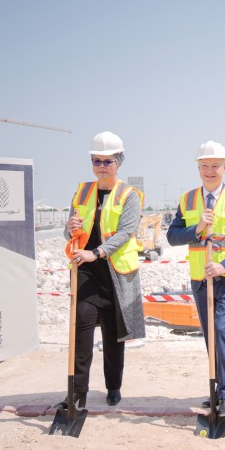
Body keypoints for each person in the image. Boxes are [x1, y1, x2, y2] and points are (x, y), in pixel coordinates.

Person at [166, 140, 225, 417]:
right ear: (198, 167)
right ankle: (216, 389)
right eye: (204, 165)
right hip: (199, 278)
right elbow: (172, 237)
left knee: (222, 330)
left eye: (215, 166)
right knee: (210, 334)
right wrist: (198, 228)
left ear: (224, 167)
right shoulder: (187, 200)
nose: (210, 171)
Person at [63, 132, 147, 407]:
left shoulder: (129, 195)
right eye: (96, 160)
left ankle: (113, 387)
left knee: (114, 337)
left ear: (118, 162)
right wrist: (70, 230)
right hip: (86, 274)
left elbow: (126, 232)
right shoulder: (82, 191)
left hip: (115, 275)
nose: (101, 166)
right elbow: (71, 229)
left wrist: (96, 252)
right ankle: (77, 394)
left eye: (107, 161)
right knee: (81, 335)